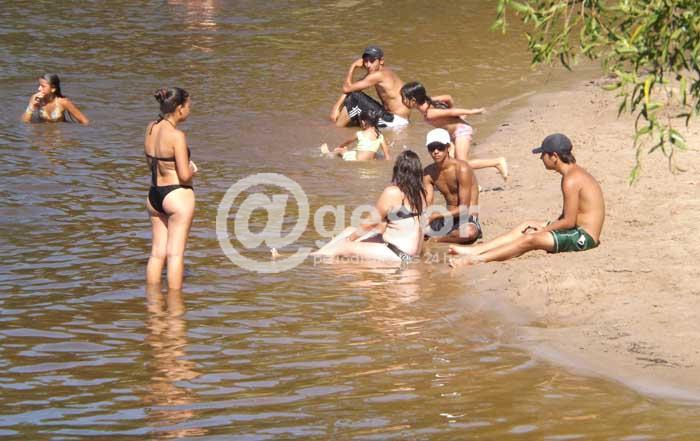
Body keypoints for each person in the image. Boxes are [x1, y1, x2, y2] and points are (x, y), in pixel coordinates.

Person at [448, 133, 605, 266]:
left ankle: (476, 259)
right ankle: (476, 250)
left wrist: (542, 231)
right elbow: (568, 217)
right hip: (577, 228)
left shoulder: (570, 180)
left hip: (583, 237)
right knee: (527, 225)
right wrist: (543, 227)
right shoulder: (574, 173)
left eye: (543, 154)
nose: (541, 158)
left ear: (554, 156)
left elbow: (569, 222)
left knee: (530, 239)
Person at [311, 150, 426, 263]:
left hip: (399, 253)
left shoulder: (393, 192)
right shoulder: (421, 195)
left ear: (398, 171)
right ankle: (320, 252)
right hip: (409, 253)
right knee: (349, 230)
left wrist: (349, 240)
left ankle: (317, 259)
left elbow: (370, 223)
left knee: (342, 247)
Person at [145, 87, 198, 289]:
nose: (189, 110)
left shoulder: (151, 128)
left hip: (154, 194)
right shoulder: (177, 136)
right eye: (188, 106)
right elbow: (184, 175)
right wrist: (192, 169)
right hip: (176, 195)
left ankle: (153, 302)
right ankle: (175, 304)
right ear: (179, 108)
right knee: (175, 254)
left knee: (157, 254)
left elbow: (150, 164)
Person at [400, 81, 507, 179]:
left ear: (413, 100)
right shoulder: (429, 101)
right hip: (452, 134)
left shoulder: (430, 113)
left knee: (462, 163)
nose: (401, 101)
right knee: (449, 163)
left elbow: (451, 112)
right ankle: (464, 183)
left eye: (403, 98)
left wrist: (472, 112)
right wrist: (453, 114)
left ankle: (496, 162)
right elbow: (448, 98)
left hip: (462, 131)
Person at [423, 129, 482, 244]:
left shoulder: (462, 169)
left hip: (466, 217)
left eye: (440, 147)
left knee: (469, 232)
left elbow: (464, 208)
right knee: (413, 229)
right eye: (431, 148)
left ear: (448, 147)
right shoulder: (428, 173)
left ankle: (437, 239)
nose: (436, 151)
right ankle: (446, 234)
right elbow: (427, 204)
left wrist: (436, 216)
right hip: (446, 218)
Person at [329, 46, 411, 129]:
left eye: (372, 61)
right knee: (355, 101)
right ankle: (339, 125)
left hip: (394, 121)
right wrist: (337, 107)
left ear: (381, 61)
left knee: (354, 98)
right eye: (365, 61)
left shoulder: (378, 75)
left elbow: (346, 88)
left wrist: (353, 66)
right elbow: (354, 88)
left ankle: (335, 129)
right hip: (394, 118)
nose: (368, 65)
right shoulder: (382, 72)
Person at [321, 110, 391, 161]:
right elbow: (387, 155)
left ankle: (328, 154)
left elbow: (346, 143)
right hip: (368, 161)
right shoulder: (380, 136)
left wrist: (340, 147)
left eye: (360, 122)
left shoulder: (360, 134)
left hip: (355, 160)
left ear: (363, 122)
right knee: (377, 154)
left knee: (340, 150)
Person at [21, 74, 89, 125]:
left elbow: (85, 121)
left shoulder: (63, 102)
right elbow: (24, 122)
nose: (39, 89)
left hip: (59, 135)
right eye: (39, 85)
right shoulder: (35, 98)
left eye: (43, 86)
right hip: (42, 135)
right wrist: (32, 105)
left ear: (53, 88)